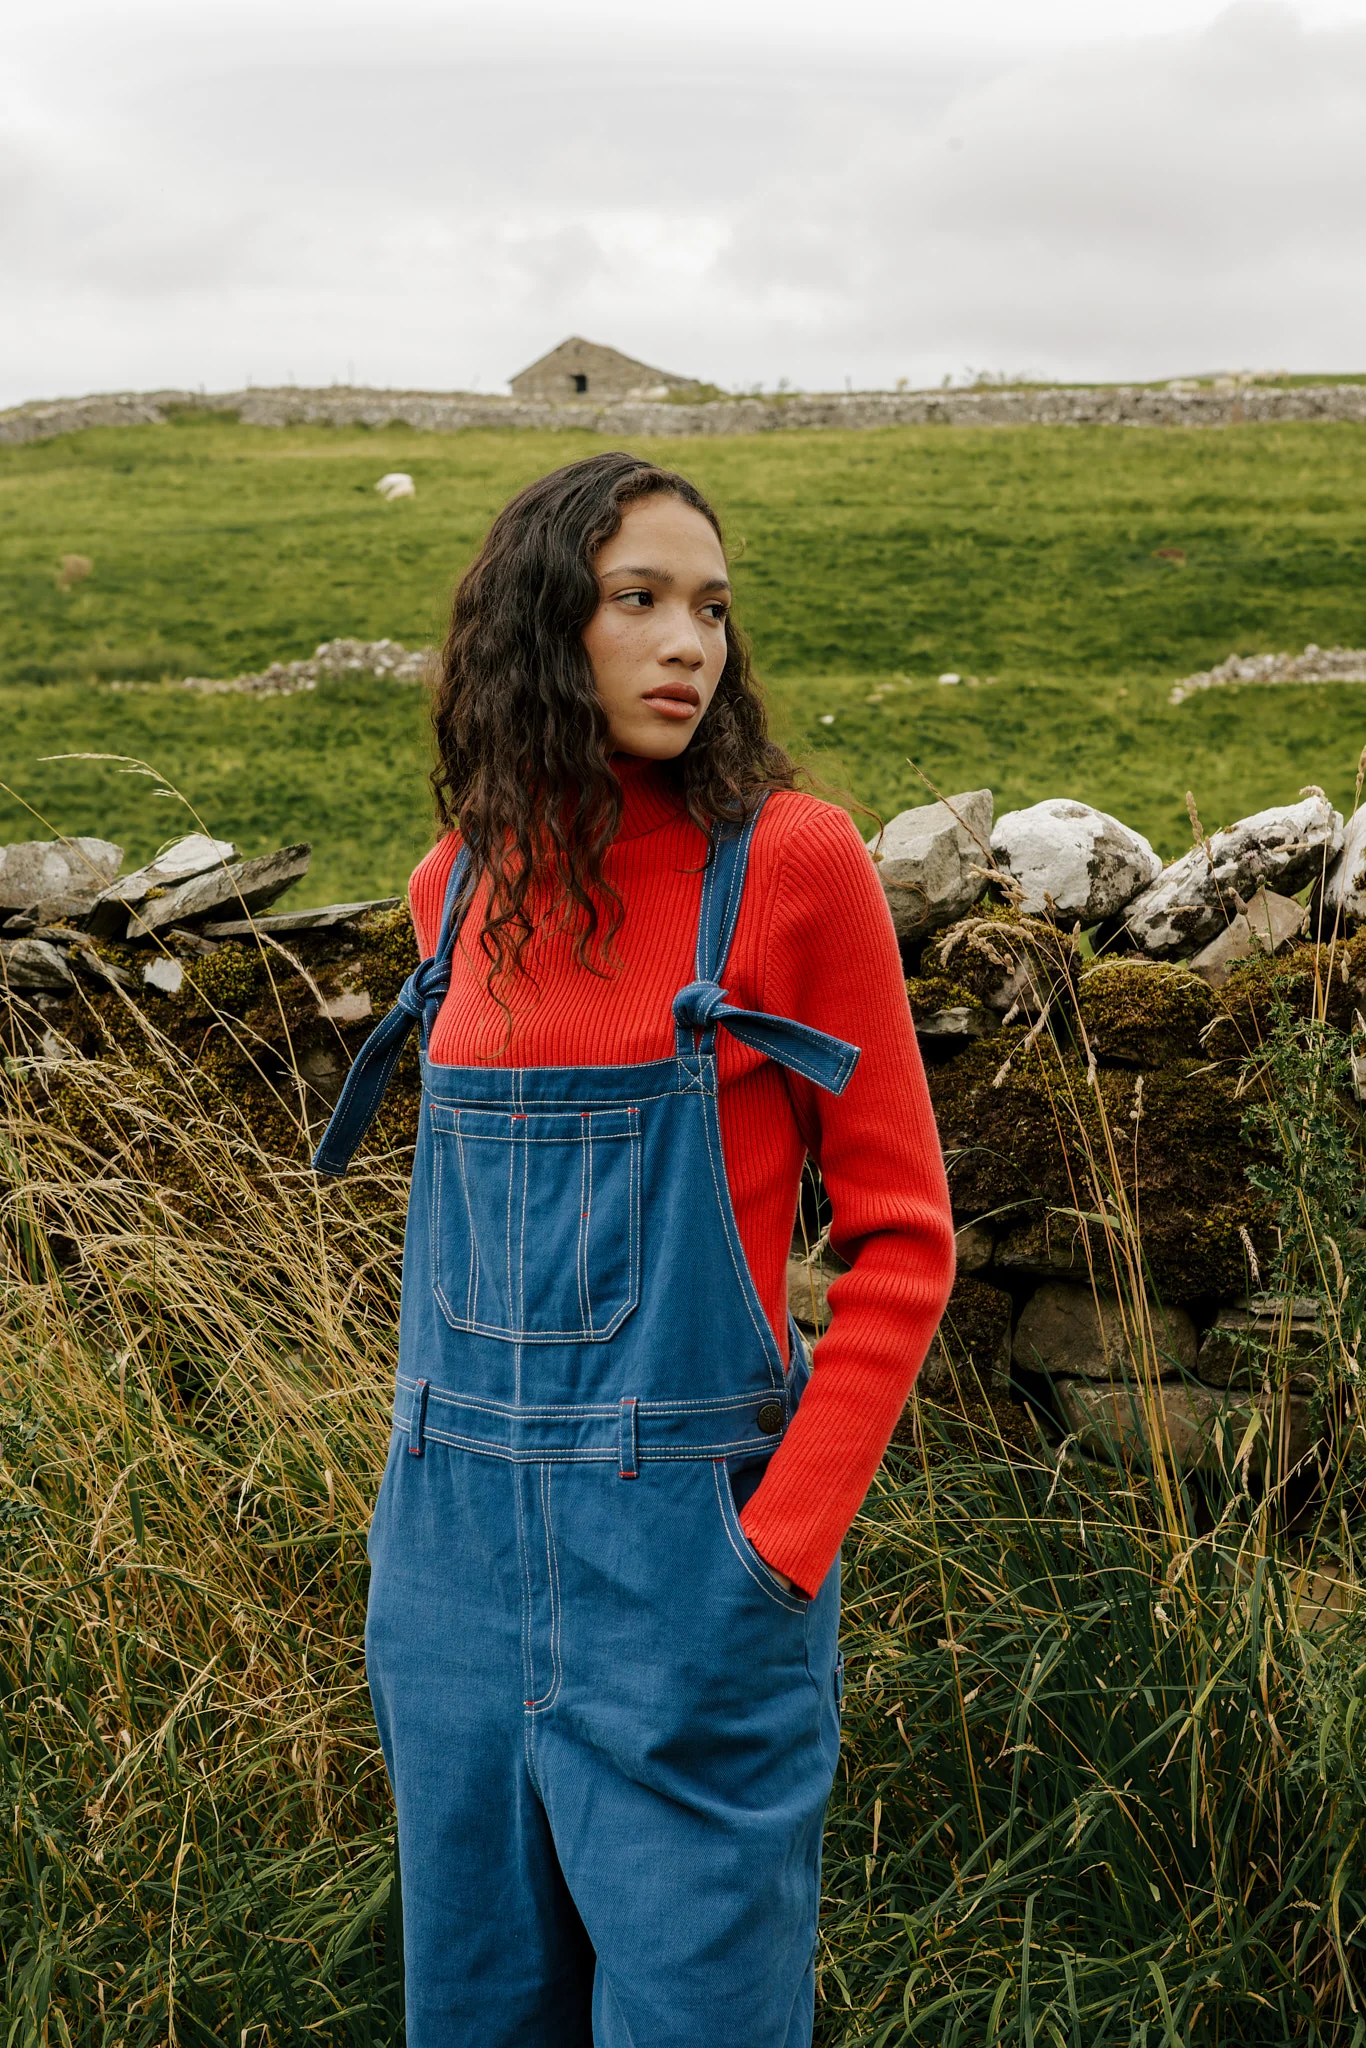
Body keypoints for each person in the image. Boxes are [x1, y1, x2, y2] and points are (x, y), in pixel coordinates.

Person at [313, 450, 955, 2047]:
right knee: (474, 2013)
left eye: (712, 610)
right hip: (448, 1573)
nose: (689, 645)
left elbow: (903, 1240)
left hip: (685, 1572)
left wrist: (777, 1546)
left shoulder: (790, 865)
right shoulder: (452, 891)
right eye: (639, 601)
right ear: (544, 627)